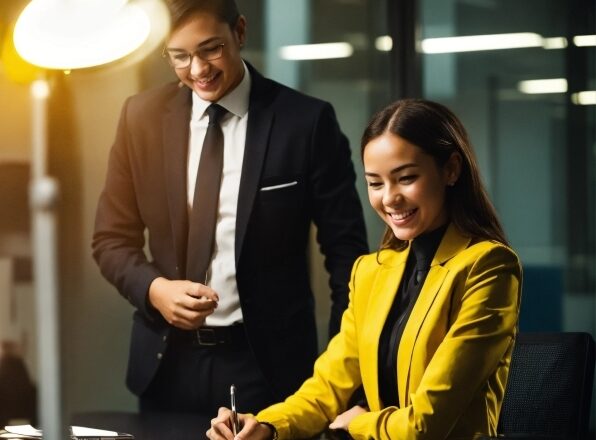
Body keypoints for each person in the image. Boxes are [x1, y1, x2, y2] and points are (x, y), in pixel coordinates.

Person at [92, 0, 368, 416]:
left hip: (270, 367)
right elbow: (111, 240)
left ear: (239, 32)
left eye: (210, 49)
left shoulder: (306, 123)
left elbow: (348, 259)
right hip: (167, 363)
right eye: (179, 56)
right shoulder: (140, 118)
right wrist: (155, 289)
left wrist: (346, 375)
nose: (198, 69)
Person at [207, 98, 522, 440]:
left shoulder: (488, 267)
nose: (389, 198)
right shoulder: (370, 271)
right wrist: (265, 426)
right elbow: (327, 389)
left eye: (406, 178)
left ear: (451, 170)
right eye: (375, 183)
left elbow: (426, 424)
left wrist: (358, 422)